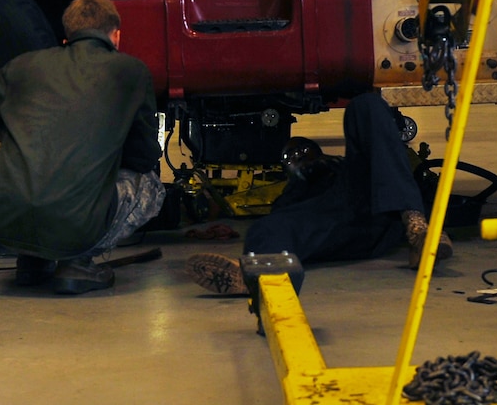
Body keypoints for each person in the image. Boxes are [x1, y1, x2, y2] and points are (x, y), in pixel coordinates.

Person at [0, 0, 166, 295]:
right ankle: (79, 263)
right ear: (116, 35)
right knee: (152, 184)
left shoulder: (24, 65)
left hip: (2, 222)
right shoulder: (131, 71)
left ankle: (33, 260)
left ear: (67, 34)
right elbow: (144, 156)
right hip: (78, 230)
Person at [184, 91, 447, 295]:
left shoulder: (349, 170)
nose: (301, 159)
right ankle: (260, 277)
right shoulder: (297, 192)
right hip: (336, 225)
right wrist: (302, 182)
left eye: (305, 153)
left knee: (365, 104)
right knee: (264, 229)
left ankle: (416, 226)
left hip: (383, 212)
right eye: (295, 158)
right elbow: (286, 219)